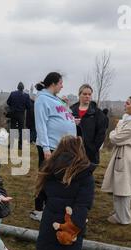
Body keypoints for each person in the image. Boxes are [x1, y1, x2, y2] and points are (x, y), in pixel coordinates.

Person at [19, 136, 95, 250]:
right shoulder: (85, 172)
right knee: (64, 246)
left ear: (60, 147)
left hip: (51, 215)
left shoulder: (50, 166)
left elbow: (42, 193)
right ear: (79, 150)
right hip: (72, 218)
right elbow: (85, 202)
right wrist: (77, 224)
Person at [30, 72, 77, 222]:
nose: (62, 86)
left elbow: (63, 116)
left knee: (58, 179)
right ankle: (39, 210)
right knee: (45, 178)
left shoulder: (55, 100)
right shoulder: (42, 99)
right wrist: (45, 148)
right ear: (53, 83)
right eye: (61, 83)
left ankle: (52, 207)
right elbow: (41, 124)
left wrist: (71, 120)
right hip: (49, 146)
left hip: (62, 146)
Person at [101, 96, 131, 225]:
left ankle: (124, 218)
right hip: (122, 156)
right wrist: (117, 129)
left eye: (127, 103)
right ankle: (119, 213)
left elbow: (115, 138)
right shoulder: (128, 120)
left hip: (127, 158)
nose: (124, 105)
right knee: (119, 186)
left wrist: (116, 129)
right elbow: (117, 135)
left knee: (124, 188)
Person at [70, 84, 107, 164]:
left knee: (85, 175)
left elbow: (101, 134)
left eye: (89, 94)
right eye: (84, 94)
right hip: (72, 151)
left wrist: (93, 149)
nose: (87, 96)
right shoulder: (71, 111)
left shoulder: (97, 113)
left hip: (90, 154)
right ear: (79, 95)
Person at [6, 82, 31, 149]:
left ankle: (12, 144)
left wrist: (13, 106)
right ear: (23, 88)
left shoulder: (12, 93)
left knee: (13, 129)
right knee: (21, 130)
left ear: (17, 87)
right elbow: (29, 106)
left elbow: (8, 102)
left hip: (13, 113)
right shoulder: (26, 95)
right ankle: (20, 145)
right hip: (21, 114)